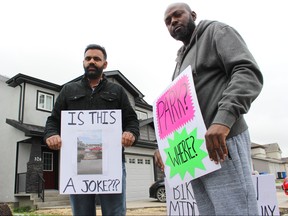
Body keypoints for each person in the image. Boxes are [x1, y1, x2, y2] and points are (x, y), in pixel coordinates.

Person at [156, 3, 263, 215]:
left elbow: (247, 72)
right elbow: (178, 112)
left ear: (193, 15)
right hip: (196, 153)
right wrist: (164, 146)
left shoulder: (216, 32)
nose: (173, 22)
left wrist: (223, 119)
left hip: (223, 141)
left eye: (177, 15)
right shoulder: (179, 62)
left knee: (235, 210)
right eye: (168, 21)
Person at [43, 44, 139, 216]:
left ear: (105, 64)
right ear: (83, 62)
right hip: (78, 163)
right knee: (82, 213)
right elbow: (53, 120)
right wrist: (52, 134)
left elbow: (132, 120)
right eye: (88, 59)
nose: (92, 62)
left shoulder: (117, 91)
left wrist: (131, 133)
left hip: (112, 164)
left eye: (96, 59)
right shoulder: (69, 90)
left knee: (115, 212)